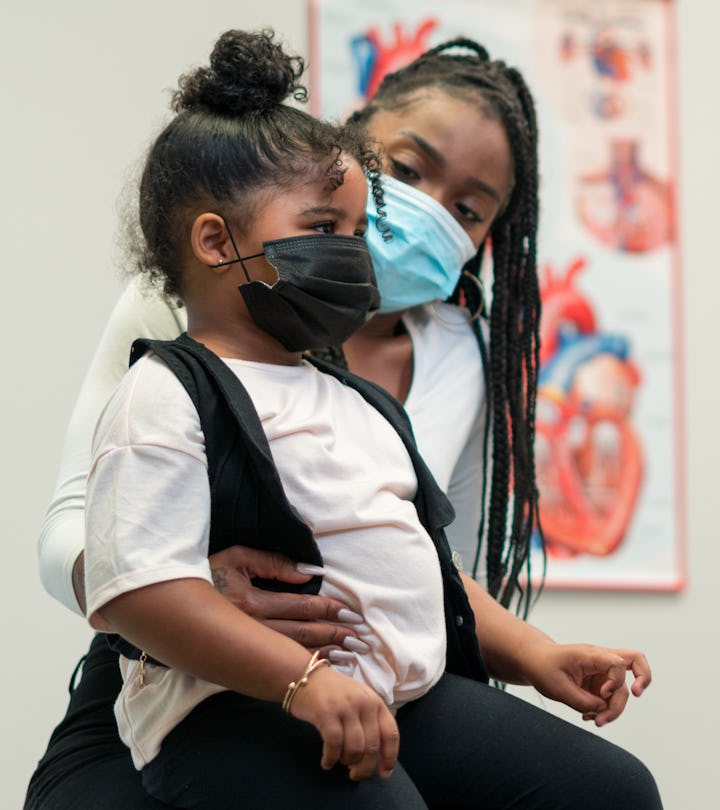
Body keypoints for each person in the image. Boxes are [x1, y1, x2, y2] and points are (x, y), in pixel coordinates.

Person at [25, 32, 662, 810]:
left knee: (613, 791)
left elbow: (428, 563)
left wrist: (536, 654)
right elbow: (103, 556)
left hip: (384, 685)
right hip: (214, 687)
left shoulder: (379, 390)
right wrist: (205, 596)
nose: (420, 212)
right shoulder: (174, 361)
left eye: (466, 208)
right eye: (405, 169)